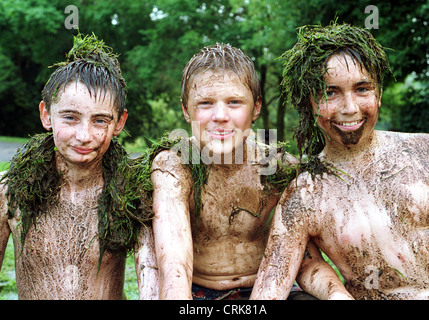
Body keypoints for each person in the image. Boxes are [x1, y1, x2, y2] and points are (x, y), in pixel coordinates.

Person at [250, 22, 429, 300]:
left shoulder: (428, 150)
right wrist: (333, 293)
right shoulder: (304, 194)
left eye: (362, 89)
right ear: (309, 102)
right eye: (330, 92)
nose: (350, 108)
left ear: (378, 93)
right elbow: (270, 288)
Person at [149, 43, 350, 299]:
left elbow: (306, 260)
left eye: (234, 102)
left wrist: (337, 295)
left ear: (255, 108)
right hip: (198, 292)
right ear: (186, 111)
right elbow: (174, 265)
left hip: (269, 287)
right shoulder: (174, 166)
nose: (220, 116)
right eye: (205, 103)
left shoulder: (277, 167)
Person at [0, 34, 158, 299]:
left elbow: (151, 282)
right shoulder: (11, 190)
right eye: (70, 118)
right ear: (46, 115)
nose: (84, 135)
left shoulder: (131, 193)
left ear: (119, 123)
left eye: (100, 121)